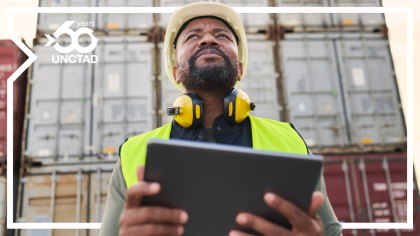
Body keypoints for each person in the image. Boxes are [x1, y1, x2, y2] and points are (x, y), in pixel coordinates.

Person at [99, 2, 343, 236]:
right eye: (193, 36)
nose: (209, 39)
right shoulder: (132, 154)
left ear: (240, 68)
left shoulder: (290, 141)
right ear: (175, 71)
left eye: (223, 36)